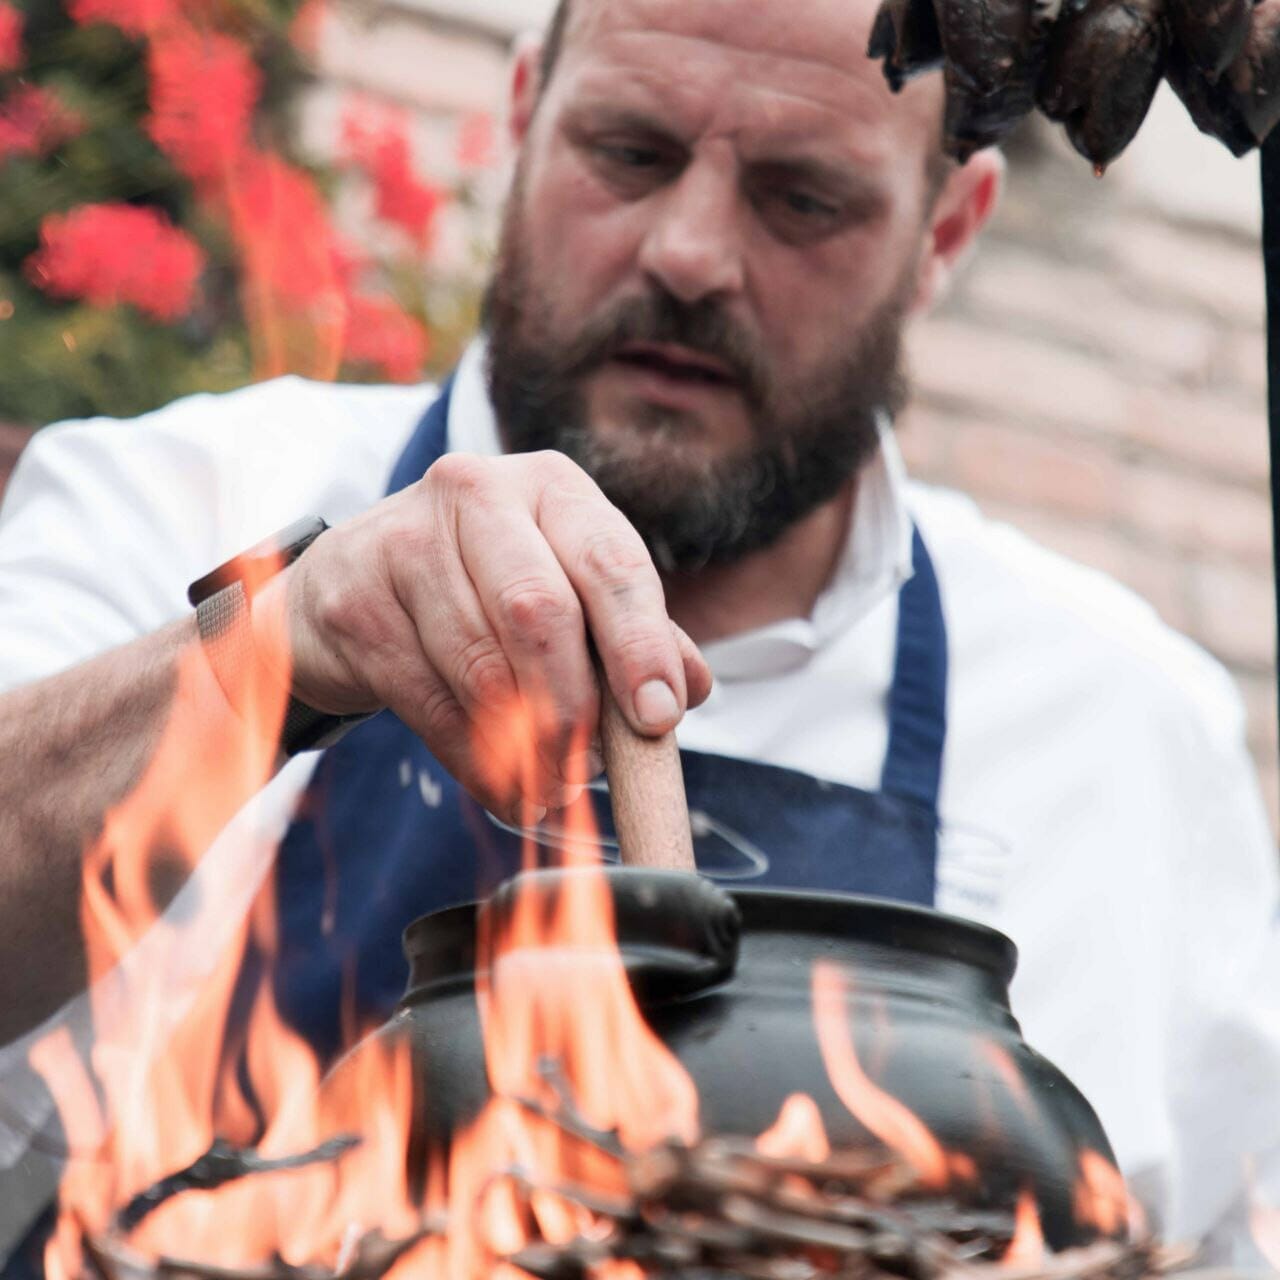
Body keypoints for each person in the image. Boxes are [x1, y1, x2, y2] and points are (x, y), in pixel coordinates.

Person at [1, 0, 1279, 1265]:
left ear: (945, 232)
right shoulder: (176, 499)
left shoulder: (1125, 733)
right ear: (522, 119)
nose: (688, 252)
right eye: (629, 153)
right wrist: (258, 664)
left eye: (801, 198)